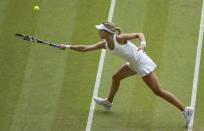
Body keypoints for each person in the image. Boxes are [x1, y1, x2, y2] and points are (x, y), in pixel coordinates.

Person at [59, 21, 193, 127]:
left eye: (100, 30)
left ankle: (185, 110)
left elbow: (138, 34)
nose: (98, 31)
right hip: (133, 63)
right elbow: (85, 48)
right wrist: (67, 46)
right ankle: (108, 102)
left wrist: (143, 43)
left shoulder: (119, 38)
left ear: (107, 33)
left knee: (158, 91)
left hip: (142, 63)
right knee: (116, 77)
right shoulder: (104, 44)